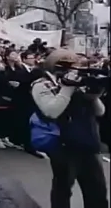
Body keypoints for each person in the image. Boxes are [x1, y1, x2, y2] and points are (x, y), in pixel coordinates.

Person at [31, 49, 108, 208]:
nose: (72, 69)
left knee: (97, 191)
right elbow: (51, 111)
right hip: (63, 145)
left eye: (75, 65)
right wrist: (68, 87)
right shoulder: (42, 85)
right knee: (63, 190)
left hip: (88, 144)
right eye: (67, 65)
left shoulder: (81, 81)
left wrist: (94, 95)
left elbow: (100, 112)